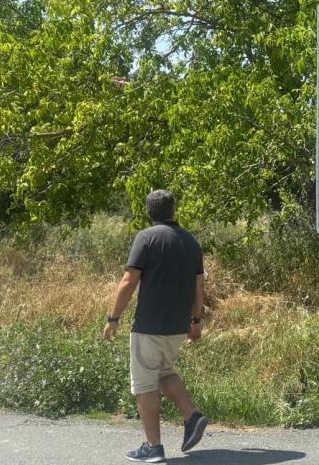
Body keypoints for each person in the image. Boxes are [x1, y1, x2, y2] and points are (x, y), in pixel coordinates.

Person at [103, 189, 208, 463]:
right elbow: (198, 285)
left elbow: (129, 280)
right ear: (174, 210)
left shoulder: (146, 237)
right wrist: (195, 321)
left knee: (144, 384)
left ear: (149, 212)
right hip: (178, 325)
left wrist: (113, 318)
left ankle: (153, 447)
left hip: (149, 325)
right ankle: (192, 416)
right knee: (163, 372)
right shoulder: (190, 241)